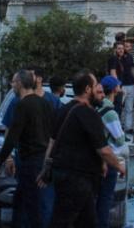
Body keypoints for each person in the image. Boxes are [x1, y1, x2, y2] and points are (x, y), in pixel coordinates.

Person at [43, 73, 126, 227]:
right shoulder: (88, 113)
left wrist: (45, 169)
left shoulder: (64, 109)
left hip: (65, 175)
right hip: (76, 178)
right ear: (88, 89)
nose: (99, 90)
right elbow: (104, 150)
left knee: (87, 221)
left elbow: (52, 142)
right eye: (96, 87)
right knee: (62, 222)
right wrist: (119, 166)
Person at [0, 70, 53, 228]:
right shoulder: (45, 103)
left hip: (29, 162)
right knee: (25, 203)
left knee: (31, 208)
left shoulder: (22, 105)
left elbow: (12, 136)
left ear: (19, 83)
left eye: (13, 82)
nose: (12, 85)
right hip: (42, 160)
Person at [97, 76, 129, 228]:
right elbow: (120, 139)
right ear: (115, 89)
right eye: (119, 86)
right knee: (105, 199)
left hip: (97, 158)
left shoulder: (98, 106)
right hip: (108, 159)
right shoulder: (110, 112)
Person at [108, 42, 134, 134]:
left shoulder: (121, 59)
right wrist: (117, 86)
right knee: (117, 108)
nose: (121, 50)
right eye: (119, 48)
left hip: (126, 85)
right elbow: (113, 72)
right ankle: (116, 130)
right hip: (119, 87)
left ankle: (124, 129)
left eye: (122, 48)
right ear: (115, 49)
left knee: (124, 108)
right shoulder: (114, 58)